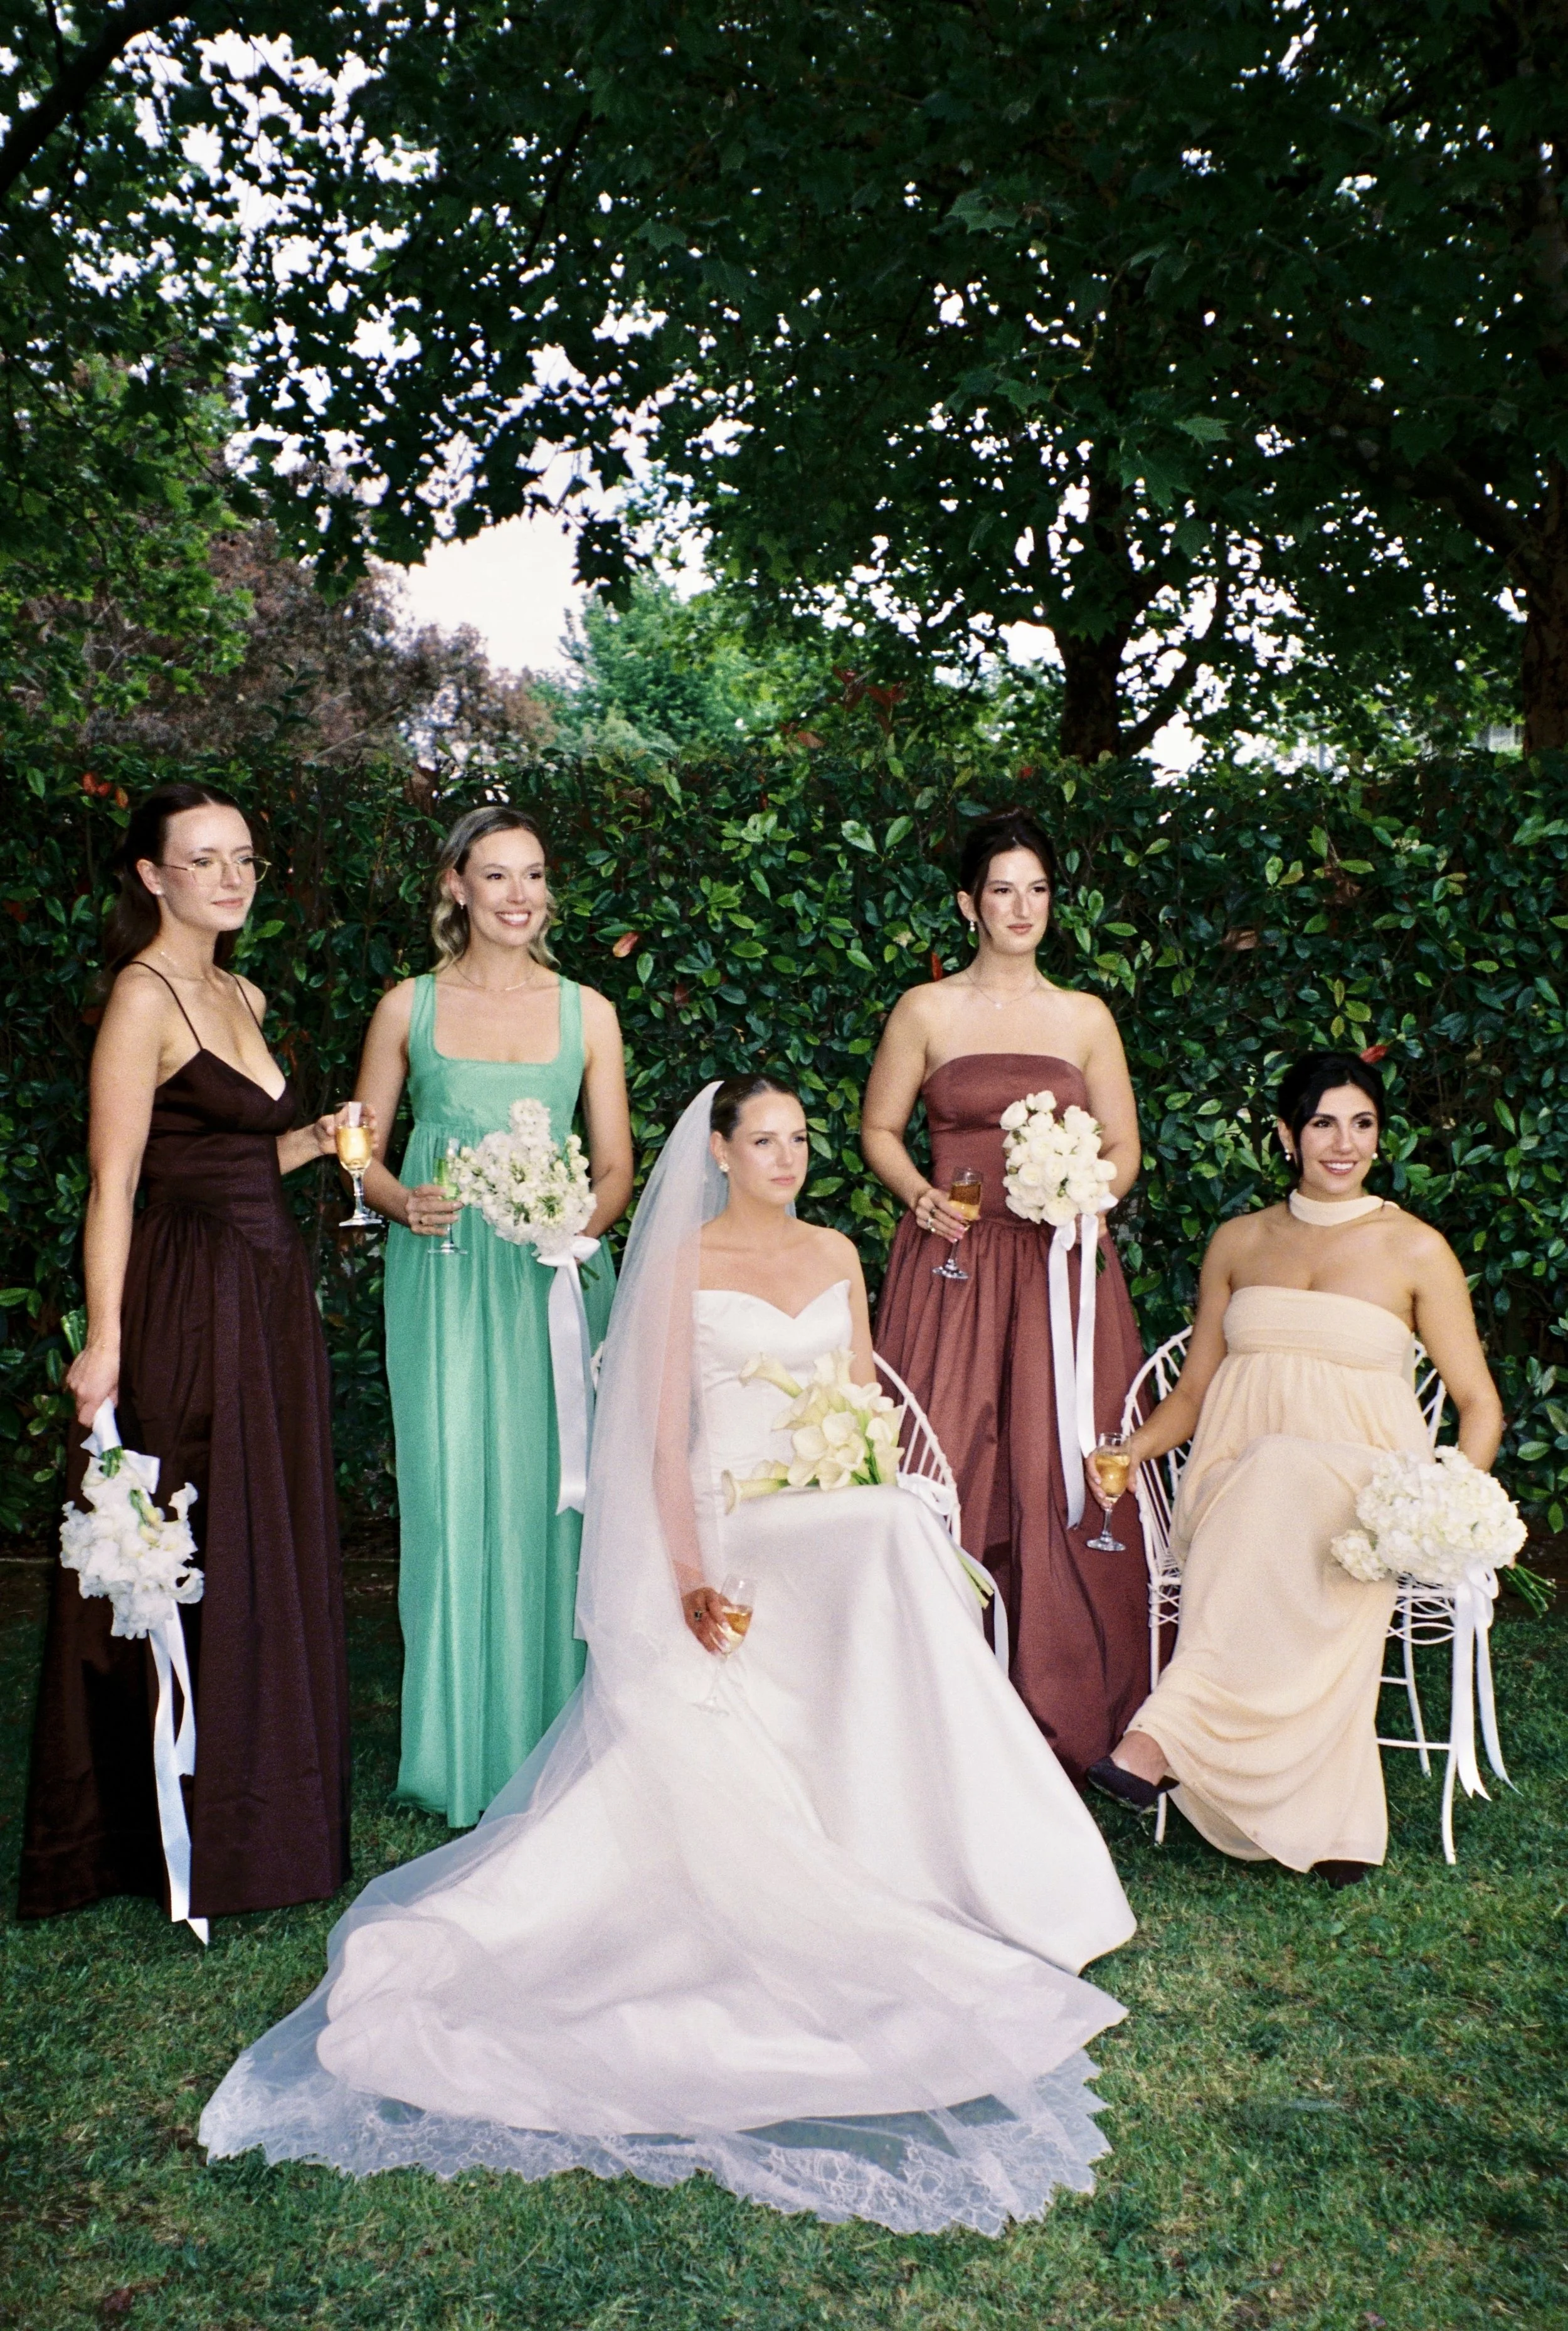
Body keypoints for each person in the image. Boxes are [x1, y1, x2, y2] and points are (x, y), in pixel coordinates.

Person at [199, 1076, 1136, 2235]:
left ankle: (966, 1858)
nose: (790, 1158)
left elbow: (860, 1401)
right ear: (725, 1155)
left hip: (831, 1503)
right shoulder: (684, 1262)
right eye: (767, 1141)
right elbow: (654, 1445)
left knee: (892, 1527)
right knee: (888, 1539)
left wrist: (862, 1465)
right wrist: (690, 1575)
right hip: (728, 1517)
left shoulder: (842, 1250)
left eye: (801, 1139)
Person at [19, 782, 356, 1923]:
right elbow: (117, 1185)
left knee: (264, 1531)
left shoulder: (245, 991)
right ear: (150, 877)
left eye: (245, 859)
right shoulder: (143, 995)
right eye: (203, 860)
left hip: (267, 1297)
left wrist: (320, 1138)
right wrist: (104, 1339)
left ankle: (265, 1805)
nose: (231, 879)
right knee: (190, 1538)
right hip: (184, 1297)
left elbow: (243, 1158)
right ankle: (143, 1824)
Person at [1086, 1051, 1506, 1887]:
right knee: (1268, 1475)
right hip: (1236, 1487)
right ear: (1287, 1136)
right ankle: (1329, 1819)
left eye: (1362, 1124)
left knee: (1289, 1476)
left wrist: (1441, 1504)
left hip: (1364, 1502)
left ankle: (1164, 1737)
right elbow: (1195, 1391)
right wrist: (1134, 1449)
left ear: (1380, 1139)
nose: (1342, 1144)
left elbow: (1479, 1404)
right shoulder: (1239, 1242)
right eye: (1322, 1124)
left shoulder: (1416, 1249)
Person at [355, 805, 632, 1829]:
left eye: (535, 876)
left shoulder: (587, 1011)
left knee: (553, 1491)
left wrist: (576, 1226)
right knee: (450, 1482)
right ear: (456, 889)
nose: (521, 896)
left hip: (551, 1282)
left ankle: (565, 1730)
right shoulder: (408, 1008)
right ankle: (455, 1742)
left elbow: (614, 1164)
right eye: (498, 877)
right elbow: (362, 1145)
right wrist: (395, 1195)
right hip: (444, 1269)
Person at [864, 807, 1148, 1785]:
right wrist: (921, 1197)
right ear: (967, 904)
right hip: (954, 1265)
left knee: (1054, 1463)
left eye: (1036, 890)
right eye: (1001, 890)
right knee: (948, 1458)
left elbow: (1126, 1149)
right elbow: (879, 1132)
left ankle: (1062, 1705)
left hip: (1060, 1275)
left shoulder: (1084, 1017)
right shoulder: (926, 1010)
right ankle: (930, 1714)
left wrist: (1082, 1190)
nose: (1021, 908)